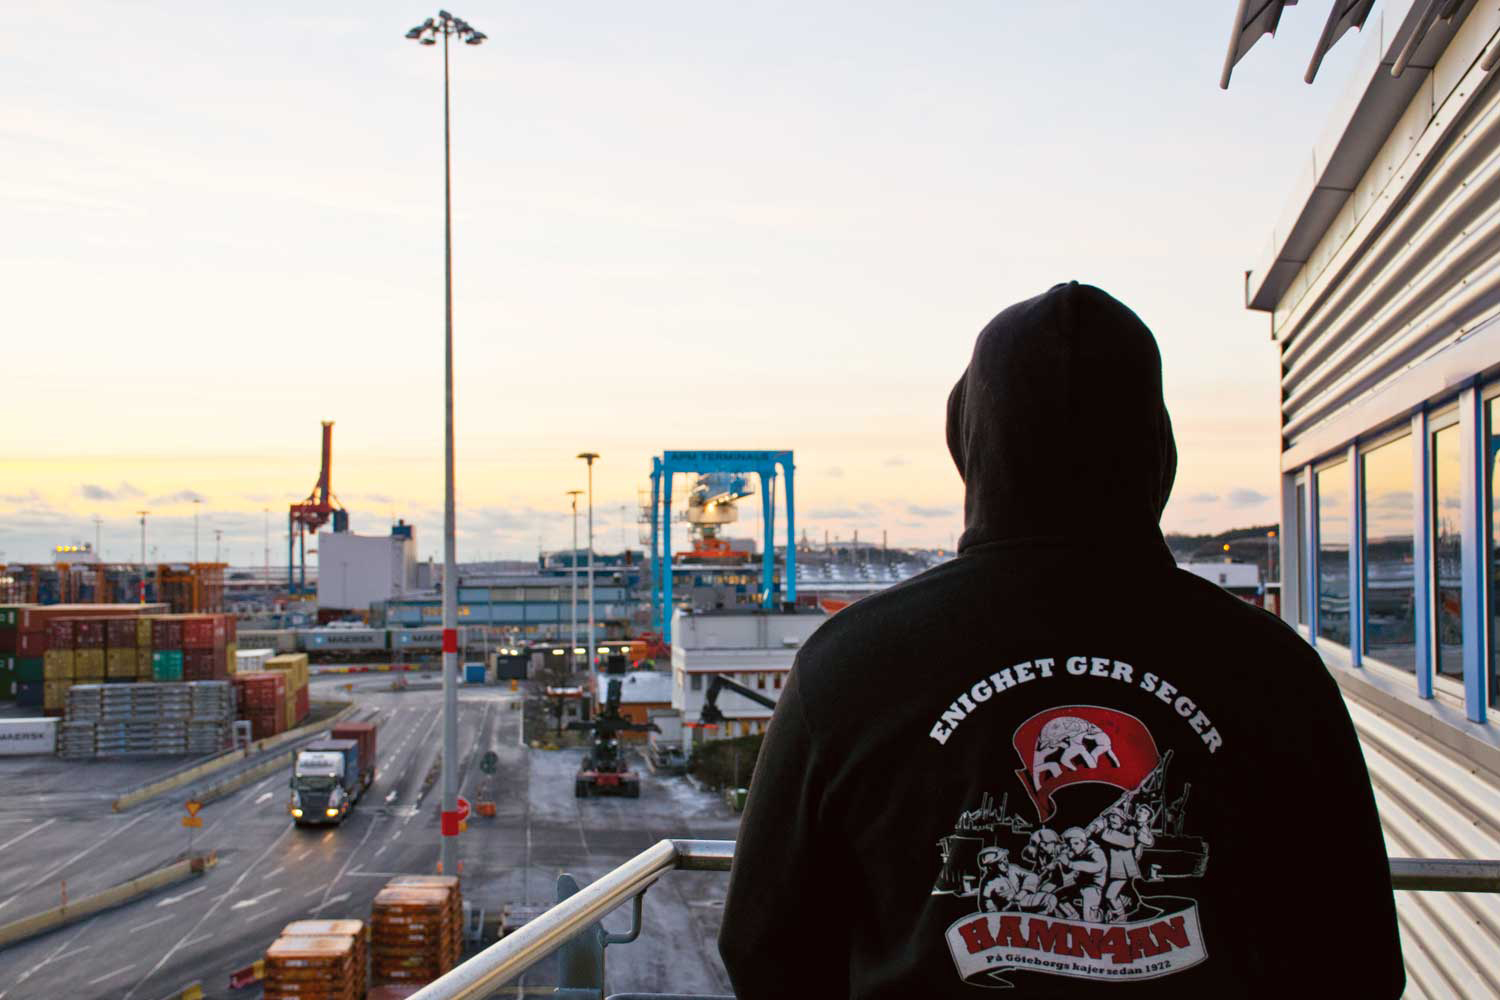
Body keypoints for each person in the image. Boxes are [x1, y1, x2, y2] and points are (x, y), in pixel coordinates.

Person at [719, 283, 1404, 997]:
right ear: (1157, 448)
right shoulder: (1276, 671)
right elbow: (1359, 961)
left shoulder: (849, 663)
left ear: (971, 442)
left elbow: (763, 946)